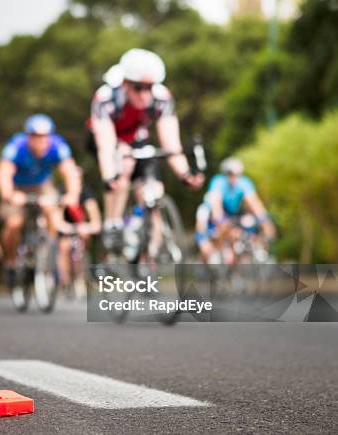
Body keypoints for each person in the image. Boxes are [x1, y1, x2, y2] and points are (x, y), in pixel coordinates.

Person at [88, 48, 204, 255]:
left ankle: (147, 256)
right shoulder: (106, 99)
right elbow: (106, 146)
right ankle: (113, 223)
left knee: (154, 193)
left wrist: (185, 174)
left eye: (149, 88)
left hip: (137, 139)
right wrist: (109, 176)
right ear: (125, 83)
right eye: (138, 88)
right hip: (107, 139)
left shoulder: (161, 98)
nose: (144, 94)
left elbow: (171, 143)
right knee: (123, 165)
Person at [0, 114, 81, 282]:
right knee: (14, 223)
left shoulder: (58, 146)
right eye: (36, 137)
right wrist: (9, 194)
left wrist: (73, 194)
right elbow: (4, 172)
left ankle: (47, 254)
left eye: (44, 137)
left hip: (41, 185)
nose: (41, 142)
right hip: (17, 187)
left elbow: (70, 171)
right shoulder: (16, 146)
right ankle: (11, 261)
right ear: (28, 137)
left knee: (52, 210)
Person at [195, 157, 276, 264]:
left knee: (247, 229)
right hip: (213, 214)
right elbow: (216, 206)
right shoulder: (218, 181)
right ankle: (206, 250)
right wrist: (221, 222)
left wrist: (265, 222)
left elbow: (255, 203)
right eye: (230, 174)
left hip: (233, 213)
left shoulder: (244, 182)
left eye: (237, 174)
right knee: (205, 222)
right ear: (225, 173)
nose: (234, 177)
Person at [56, 168, 102, 290]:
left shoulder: (86, 193)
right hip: (64, 228)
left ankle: (82, 277)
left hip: (81, 228)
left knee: (83, 241)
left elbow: (95, 219)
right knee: (64, 246)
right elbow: (56, 218)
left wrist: (88, 227)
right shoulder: (61, 192)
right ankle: (64, 281)